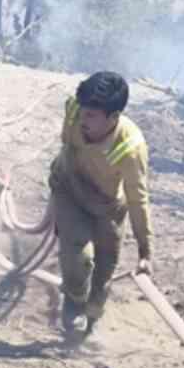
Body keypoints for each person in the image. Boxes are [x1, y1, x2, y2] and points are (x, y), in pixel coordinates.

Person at [49, 71, 153, 333]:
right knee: (79, 258)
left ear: (114, 117)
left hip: (107, 207)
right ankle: (73, 303)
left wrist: (145, 252)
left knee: (100, 285)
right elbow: (67, 140)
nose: (82, 119)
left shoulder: (131, 148)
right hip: (69, 190)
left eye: (92, 116)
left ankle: (90, 318)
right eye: (83, 111)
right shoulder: (75, 109)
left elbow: (137, 199)